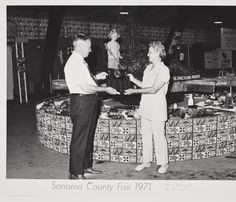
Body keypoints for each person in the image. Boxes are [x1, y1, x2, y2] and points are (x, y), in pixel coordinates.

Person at [64, 34, 119, 179]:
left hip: (88, 101)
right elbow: (85, 87)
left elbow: (86, 81)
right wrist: (104, 89)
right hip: (82, 101)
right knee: (80, 138)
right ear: (81, 46)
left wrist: (96, 77)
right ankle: (75, 172)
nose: (90, 50)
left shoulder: (81, 62)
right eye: (88, 47)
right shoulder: (74, 63)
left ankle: (86, 167)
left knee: (88, 136)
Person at [125, 41, 170, 174]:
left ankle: (164, 163)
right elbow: (145, 86)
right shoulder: (148, 68)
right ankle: (146, 161)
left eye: (150, 52)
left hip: (157, 107)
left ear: (157, 53)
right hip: (145, 106)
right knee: (145, 135)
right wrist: (133, 80)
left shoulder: (164, 70)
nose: (147, 54)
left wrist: (134, 92)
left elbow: (154, 89)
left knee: (159, 136)